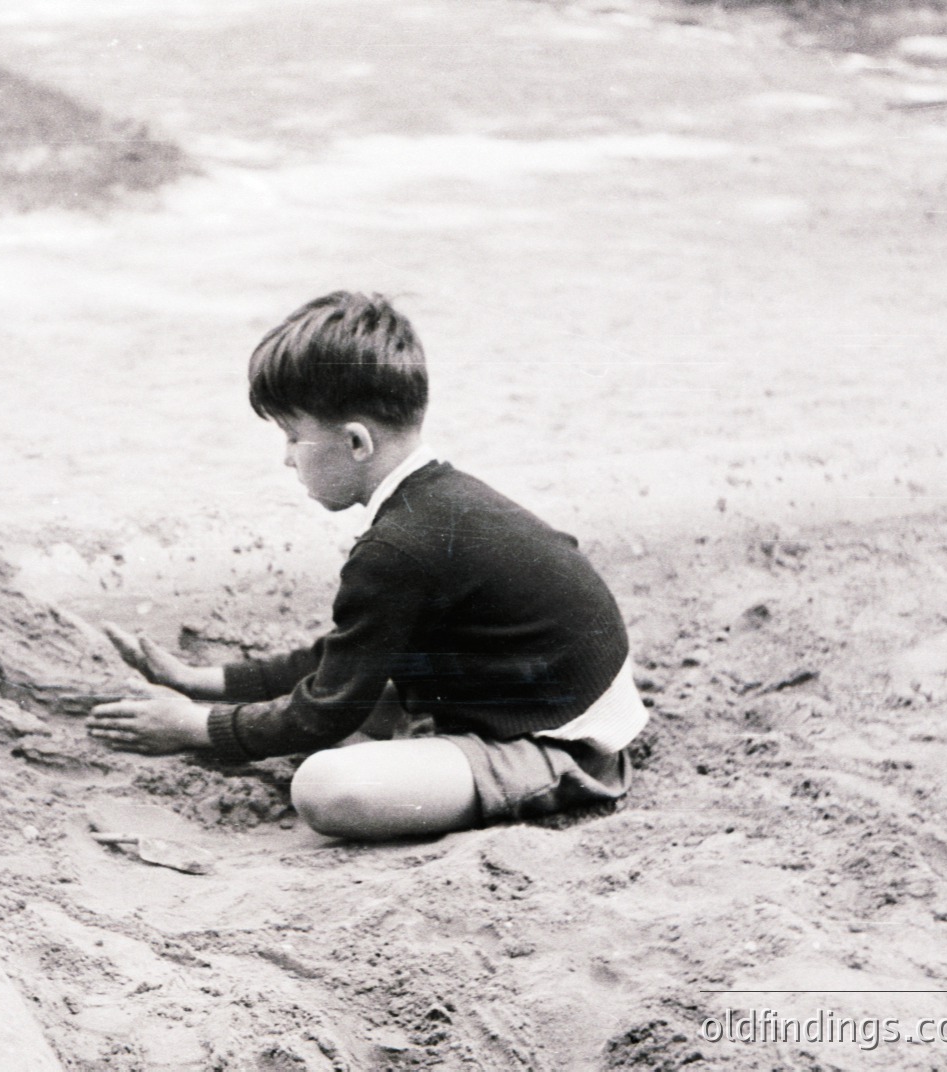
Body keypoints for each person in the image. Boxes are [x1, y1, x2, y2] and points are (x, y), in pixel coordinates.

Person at [88, 291, 647, 840]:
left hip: (564, 746)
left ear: (356, 442)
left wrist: (197, 727)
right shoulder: (437, 498)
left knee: (326, 788)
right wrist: (200, 682)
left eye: (293, 436)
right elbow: (340, 660)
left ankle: (473, 768)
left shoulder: (397, 547)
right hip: (539, 697)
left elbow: (321, 713)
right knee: (358, 700)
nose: (286, 457)